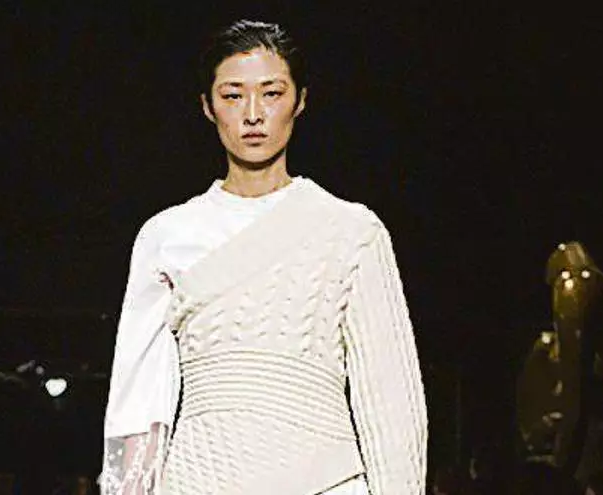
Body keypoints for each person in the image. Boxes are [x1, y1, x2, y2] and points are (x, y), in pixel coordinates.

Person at [100, 19, 428, 495]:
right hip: (199, 482)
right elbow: (138, 400)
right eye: (233, 95)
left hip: (326, 483)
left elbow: (391, 402)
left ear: (300, 100)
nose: (253, 114)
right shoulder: (167, 236)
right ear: (207, 106)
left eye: (271, 93)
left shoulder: (352, 231)